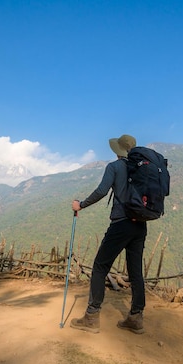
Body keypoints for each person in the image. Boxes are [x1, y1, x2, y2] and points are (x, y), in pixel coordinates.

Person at [70, 134, 147, 334]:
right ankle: (136, 318)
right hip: (140, 225)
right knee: (136, 271)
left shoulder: (114, 167)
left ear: (118, 150)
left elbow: (102, 191)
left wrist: (81, 205)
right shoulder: (143, 168)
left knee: (99, 267)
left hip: (121, 223)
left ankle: (92, 317)